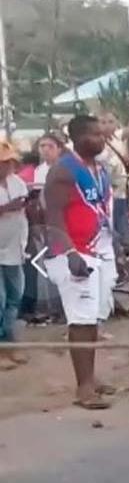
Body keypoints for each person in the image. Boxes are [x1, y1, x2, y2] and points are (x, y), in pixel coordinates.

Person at [44, 115, 117, 409]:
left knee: (95, 317)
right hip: (74, 253)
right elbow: (53, 217)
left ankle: (91, 376)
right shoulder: (63, 170)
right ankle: (83, 388)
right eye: (95, 135)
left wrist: (116, 247)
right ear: (77, 137)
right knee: (81, 320)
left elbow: (101, 209)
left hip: (99, 249)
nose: (102, 139)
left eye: (103, 134)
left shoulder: (99, 169)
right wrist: (70, 252)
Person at [0, 142, 28, 369]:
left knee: (14, 297)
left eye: (9, 162)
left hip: (15, 248)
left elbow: (26, 213)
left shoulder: (18, 183)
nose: (7, 166)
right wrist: (8, 207)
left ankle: (9, 344)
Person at [96, 111, 129, 255]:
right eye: (103, 122)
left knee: (122, 227)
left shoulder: (117, 138)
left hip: (121, 191)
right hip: (105, 195)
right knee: (110, 231)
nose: (106, 126)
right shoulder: (95, 143)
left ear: (116, 124)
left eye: (110, 122)